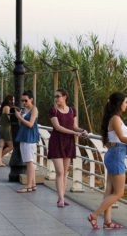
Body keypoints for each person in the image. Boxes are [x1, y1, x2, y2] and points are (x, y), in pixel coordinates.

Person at [88, 92, 127, 230]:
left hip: (115, 155)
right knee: (119, 193)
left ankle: (107, 222)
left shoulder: (115, 118)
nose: (126, 105)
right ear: (119, 103)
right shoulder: (115, 119)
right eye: (125, 102)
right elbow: (122, 138)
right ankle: (94, 215)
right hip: (116, 156)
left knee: (110, 191)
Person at [48, 89, 87, 207]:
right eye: (55, 96)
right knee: (59, 171)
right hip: (56, 142)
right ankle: (60, 199)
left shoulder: (72, 110)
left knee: (65, 172)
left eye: (58, 96)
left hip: (68, 143)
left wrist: (82, 130)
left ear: (65, 97)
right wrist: (74, 133)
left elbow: (74, 126)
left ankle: (62, 197)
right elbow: (58, 127)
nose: (56, 99)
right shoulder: (53, 111)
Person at [15, 91, 40, 193]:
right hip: (24, 137)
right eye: (22, 100)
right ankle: (33, 184)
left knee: (29, 162)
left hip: (29, 138)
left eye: (26, 100)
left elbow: (30, 124)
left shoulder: (34, 109)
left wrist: (19, 117)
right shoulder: (25, 109)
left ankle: (28, 185)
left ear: (31, 99)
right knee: (29, 162)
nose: (24, 102)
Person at [0, 95, 14, 166]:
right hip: (6, 129)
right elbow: (10, 119)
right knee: (11, 146)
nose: (13, 101)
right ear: (9, 100)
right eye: (12, 99)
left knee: (1, 145)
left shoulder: (3, 107)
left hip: (2, 128)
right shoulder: (7, 107)